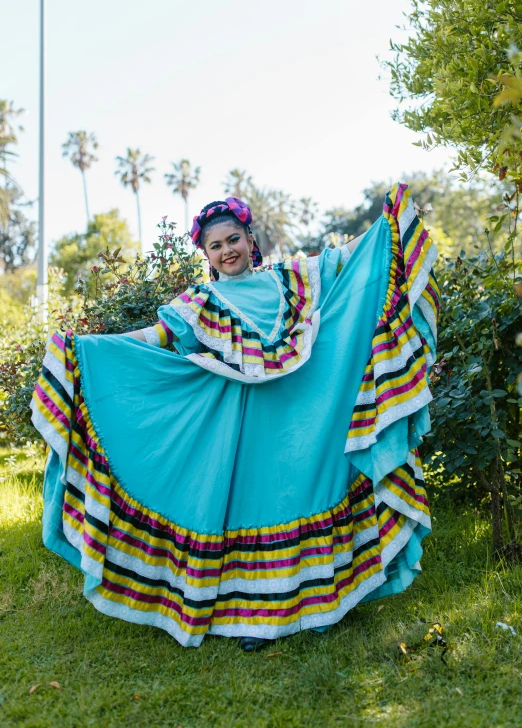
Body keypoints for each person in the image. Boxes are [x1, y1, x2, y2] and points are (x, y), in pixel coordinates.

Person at [31, 182, 439, 651]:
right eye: (215, 245)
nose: (227, 250)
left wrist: (386, 228)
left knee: (305, 498)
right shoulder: (202, 303)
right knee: (255, 507)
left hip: (305, 423)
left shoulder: (291, 279)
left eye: (233, 239)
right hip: (243, 432)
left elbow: (345, 263)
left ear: (250, 240)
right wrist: (94, 348)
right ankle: (256, 621)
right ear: (206, 253)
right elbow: (161, 335)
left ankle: (320, 604)